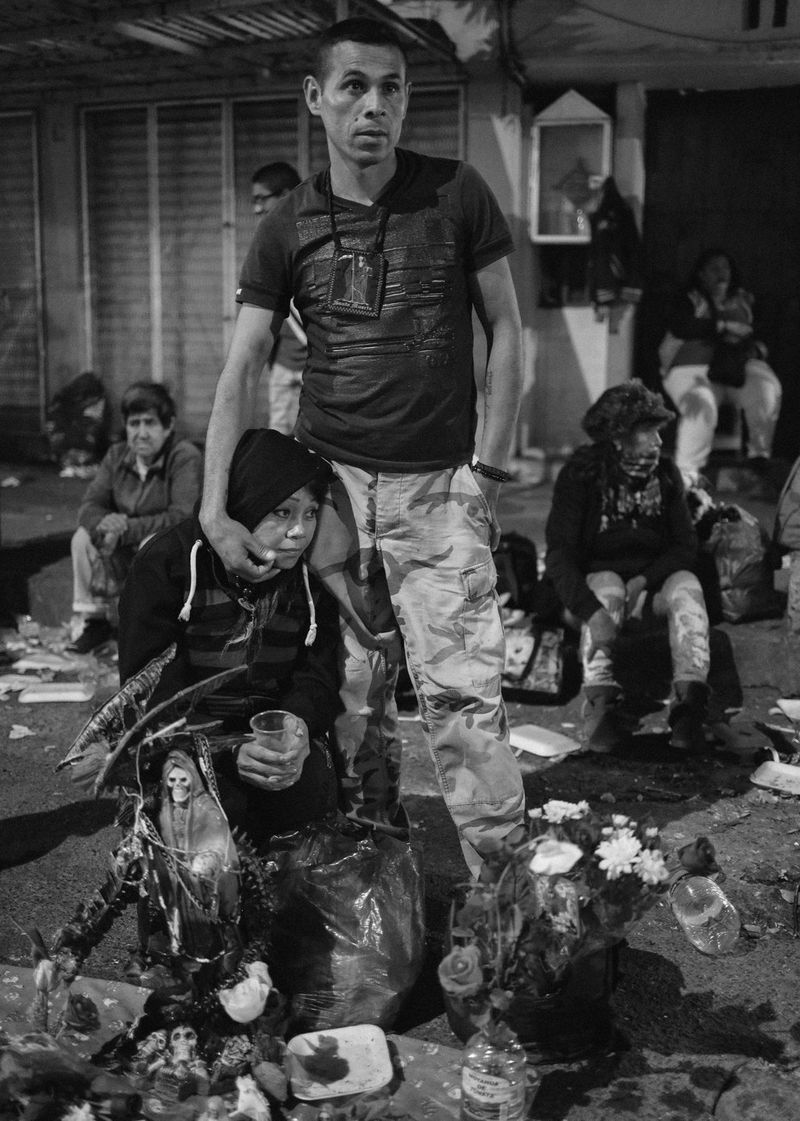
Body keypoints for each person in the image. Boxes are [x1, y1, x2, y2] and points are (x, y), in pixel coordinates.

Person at [200, 17, 526, 875]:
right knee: (351, 699)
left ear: (407, 98)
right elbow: (242, 366)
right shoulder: (288, 225)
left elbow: (508, 328)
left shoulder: (457, 193)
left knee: (464, 705)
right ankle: (372, 880)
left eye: (389, 87)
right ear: (317, 99)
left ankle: (510, 905)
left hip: (436, 489)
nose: (371, 105)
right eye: (352, 86)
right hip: (331, 494)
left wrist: (486, 470)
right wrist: (212, 507)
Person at [117, 427, 340, 848]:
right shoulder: (168, 564)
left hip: (265, 736)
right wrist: (224, 751)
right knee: (209, 816)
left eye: (310, 513)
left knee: (308, 794)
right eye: (282, 512)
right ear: (243, 501)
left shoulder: (307, 577)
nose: (299, 532)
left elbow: (319, 672)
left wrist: (298, 726)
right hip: (188, 740)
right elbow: (147, 689)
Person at [544, 380, 711, 754]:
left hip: (647, 591)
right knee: (607, 583)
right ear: (618, 437)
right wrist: (593, 613)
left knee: (686, 585)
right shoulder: (583, 475)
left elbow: (686, 546)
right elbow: (559, 556)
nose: (657, 442)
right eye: (647, 432)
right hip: (594, 596)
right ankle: (601, 708)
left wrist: (642, 580)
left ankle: (688, 710)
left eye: (658, 432)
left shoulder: (664, 475)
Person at [68, 381, 202, 654]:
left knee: (153, 545)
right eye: (133, 423)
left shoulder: (184, 456)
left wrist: (127, 527)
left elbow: (182, 516)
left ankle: (151, 627)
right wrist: (103, 523)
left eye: (150, 423)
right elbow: (89, 506)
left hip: (168, 546)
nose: (141, 433)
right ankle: (96, 622)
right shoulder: (117, 455)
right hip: (124, 542)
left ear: (168, 426)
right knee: (83, 538)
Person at [659, 248, 782, 486]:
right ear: (701, 273)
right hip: (692, 369)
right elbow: (681, 326)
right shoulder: (688, 297)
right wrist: (721, 327)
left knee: (766, 388)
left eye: (725, 267)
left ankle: (758, 457)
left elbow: (764, 334)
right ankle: (687, 475)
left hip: (736, 368)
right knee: (701, 405)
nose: (721, 273)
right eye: (714, 268)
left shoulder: (744, 300)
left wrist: (753, 347)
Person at [250, 162, 306, 435]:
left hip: (316, 368)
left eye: (262, 198)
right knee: (279, 439)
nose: (257, 208)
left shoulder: (315, 238)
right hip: (283, 365)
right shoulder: (266, 245)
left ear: (285, 195)